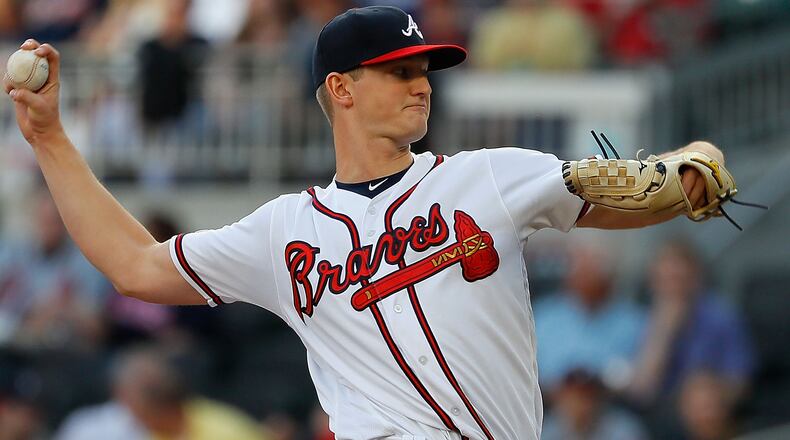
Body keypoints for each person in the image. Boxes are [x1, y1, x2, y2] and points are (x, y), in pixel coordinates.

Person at [5, 5, 726, 439]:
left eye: (424, 70)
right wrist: (51, 141)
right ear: (342, 88)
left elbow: (617, 201)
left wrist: (682, 171)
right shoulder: (284, 231)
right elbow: (136, 267)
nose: (421, 85)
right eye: (399, 70)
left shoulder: (486, 176)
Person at [534, 241, 644, 390]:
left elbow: (637, 381)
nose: (587, 277)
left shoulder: (633, 320)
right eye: (582, 270)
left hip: (612, 405)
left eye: (595, 269)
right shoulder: (543, 316)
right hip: (550, 405)